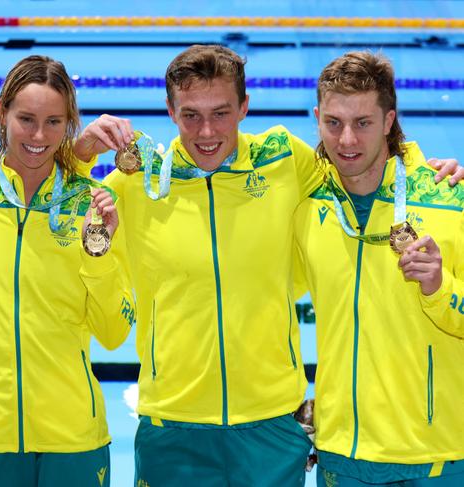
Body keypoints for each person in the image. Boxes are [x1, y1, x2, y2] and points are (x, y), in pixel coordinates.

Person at [73, 45, 464, 486]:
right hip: (172, 424)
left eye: (221, 112)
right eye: (190, 115)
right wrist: (77, 156)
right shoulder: (137, 182)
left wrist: (425, 169)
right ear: (169, 110)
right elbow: (53, 217)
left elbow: (367, 170)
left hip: (272, 427)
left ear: (245, 107)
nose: (206, 131)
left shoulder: (283, 162)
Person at [0, 55, 135, 487]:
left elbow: (115, 332)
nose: (39, 136)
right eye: (26, 119)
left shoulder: (93, 202)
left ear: (70, 124)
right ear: (1, 112)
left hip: (74, 434)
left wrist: (98, 258)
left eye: (54, 122)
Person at [293, 51, 464, 486]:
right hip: (341, 453)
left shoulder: (449, 198)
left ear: (389, 120)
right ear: (316, 117)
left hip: (435, 457)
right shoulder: (307, 206)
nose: (347, 140)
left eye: (363, 123)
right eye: (333, 123)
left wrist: (441, 287)